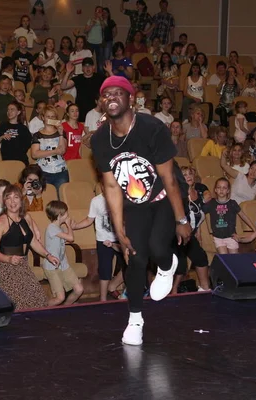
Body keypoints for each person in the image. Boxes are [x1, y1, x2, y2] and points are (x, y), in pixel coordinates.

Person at [91, 75, 191, 346]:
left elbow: (169, 179)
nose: (111, 97)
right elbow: (111, 186)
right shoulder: (100, 139)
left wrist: (182, 219)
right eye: (106, 94)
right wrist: (118, 228)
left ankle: (167, 265)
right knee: (134, 257)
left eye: (117, 93)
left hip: (164, 196)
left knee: (158, 247)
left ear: (130, 99)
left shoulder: (152, 127)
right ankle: (135, 319)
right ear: (102, 103)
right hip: (133, 201)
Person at [0, 184, 57, 310]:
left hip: (23, 266)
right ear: (4, 201)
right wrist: (8, 259)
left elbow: (33, 242)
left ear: (21, 200)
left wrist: (48, 255)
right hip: (7, 270)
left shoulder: (25, 218)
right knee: (17, 307)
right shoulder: (0, 223)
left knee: (38, 301)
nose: (12, 201)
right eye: (8, 198)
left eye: (16, 197)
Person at [72, 180, 125, 301]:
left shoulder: (122, 198)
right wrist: (75, 226)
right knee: (105, 269)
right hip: (103, 240)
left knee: (130, 264)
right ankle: (103, 300)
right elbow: (89, 220)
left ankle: (113, 286)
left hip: (120, 238)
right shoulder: (96, 201)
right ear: (102, 186)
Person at [172, 166, 210, 293]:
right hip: (176, 233)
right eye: (184, 174)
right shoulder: (178, 194)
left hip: (190, 234)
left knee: (201, 257)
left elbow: (198, 215)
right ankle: (174, 291)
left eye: (190, 174)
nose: (188, 176)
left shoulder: (199, 193)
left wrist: (197, 230)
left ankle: (205, 288)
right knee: (181, 263)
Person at [43, 201, 84, 306]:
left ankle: (65, 308)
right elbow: (71, 238)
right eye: (66, 213)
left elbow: (66, 240)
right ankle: (41, 308)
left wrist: (71, 226)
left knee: (79, 289)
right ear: (59, 215)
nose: (68, 215)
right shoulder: (51, 228)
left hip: (63, 265)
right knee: (59, 298)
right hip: (52, 267)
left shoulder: (59, 228)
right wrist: (69, 225)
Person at [203, 177, 256, 255]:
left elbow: (243, 216)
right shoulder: (211, 203)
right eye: (219, 187)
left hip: (231, 236)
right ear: (215, 190)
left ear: (228, 191)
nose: (221, 190)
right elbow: (200, 212)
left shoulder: (232, 203)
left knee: (234, 259)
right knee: (224, 258)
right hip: (218, 237)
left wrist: (254, 228)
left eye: (224, 188)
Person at [31, 105, 69, 192]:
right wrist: (54, 151)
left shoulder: (62, 132)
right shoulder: (37, 135)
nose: (50, 118)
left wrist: (60, 134)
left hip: (61, 171)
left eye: (53, 116)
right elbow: (35, 154)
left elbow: (62, 150)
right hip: (43, 171)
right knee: (46, 197)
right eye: (48, 116)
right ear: (43, 117)